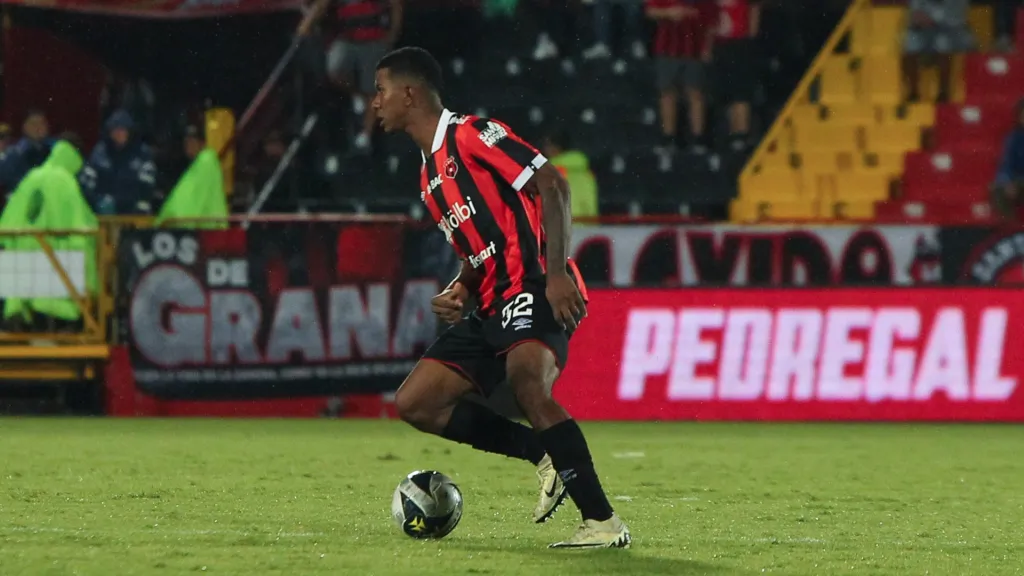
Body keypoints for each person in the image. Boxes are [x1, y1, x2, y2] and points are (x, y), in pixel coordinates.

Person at [372, 46, 630, 549]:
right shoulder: (428, 178)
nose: (374, 102)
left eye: (380, 90)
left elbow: (552, 184)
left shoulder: (472, 134)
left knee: (527, 382)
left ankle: (602, 523)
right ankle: (541, 452)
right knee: (416, 402)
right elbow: (478, 251)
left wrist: (555, 274)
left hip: (532, 285)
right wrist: (461, 287)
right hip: (490, 303)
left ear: (410, 93)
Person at [901, 0, 974, 103]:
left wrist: (932, 19)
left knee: (943, 45)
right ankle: (913, 93)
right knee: (909, 44)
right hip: (923, 30)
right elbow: (915, 12)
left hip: (951, 31)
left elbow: (956, 19)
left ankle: (943, 92)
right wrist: (919, 18)